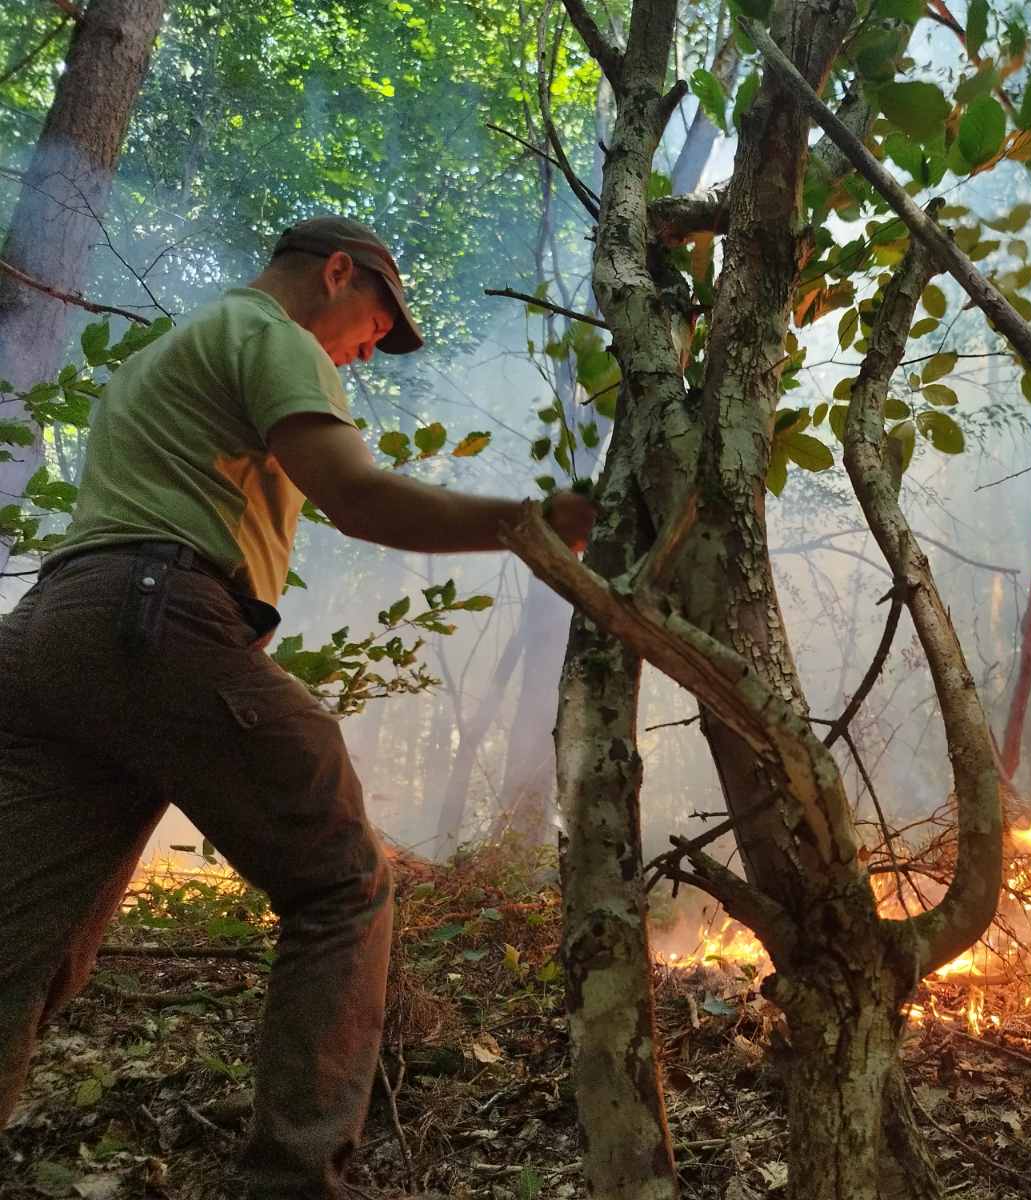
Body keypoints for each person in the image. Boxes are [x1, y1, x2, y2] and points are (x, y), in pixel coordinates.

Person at [0, 215, 594, 1198]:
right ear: (334, 273)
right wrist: (533, 526)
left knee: (18, 947)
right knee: (343, 882)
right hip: (157, 625)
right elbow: (356, 497)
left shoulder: (166, 354)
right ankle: (294, 1181)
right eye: (374, 325)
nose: (368, 350)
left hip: (51, 640)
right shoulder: (270, 336)